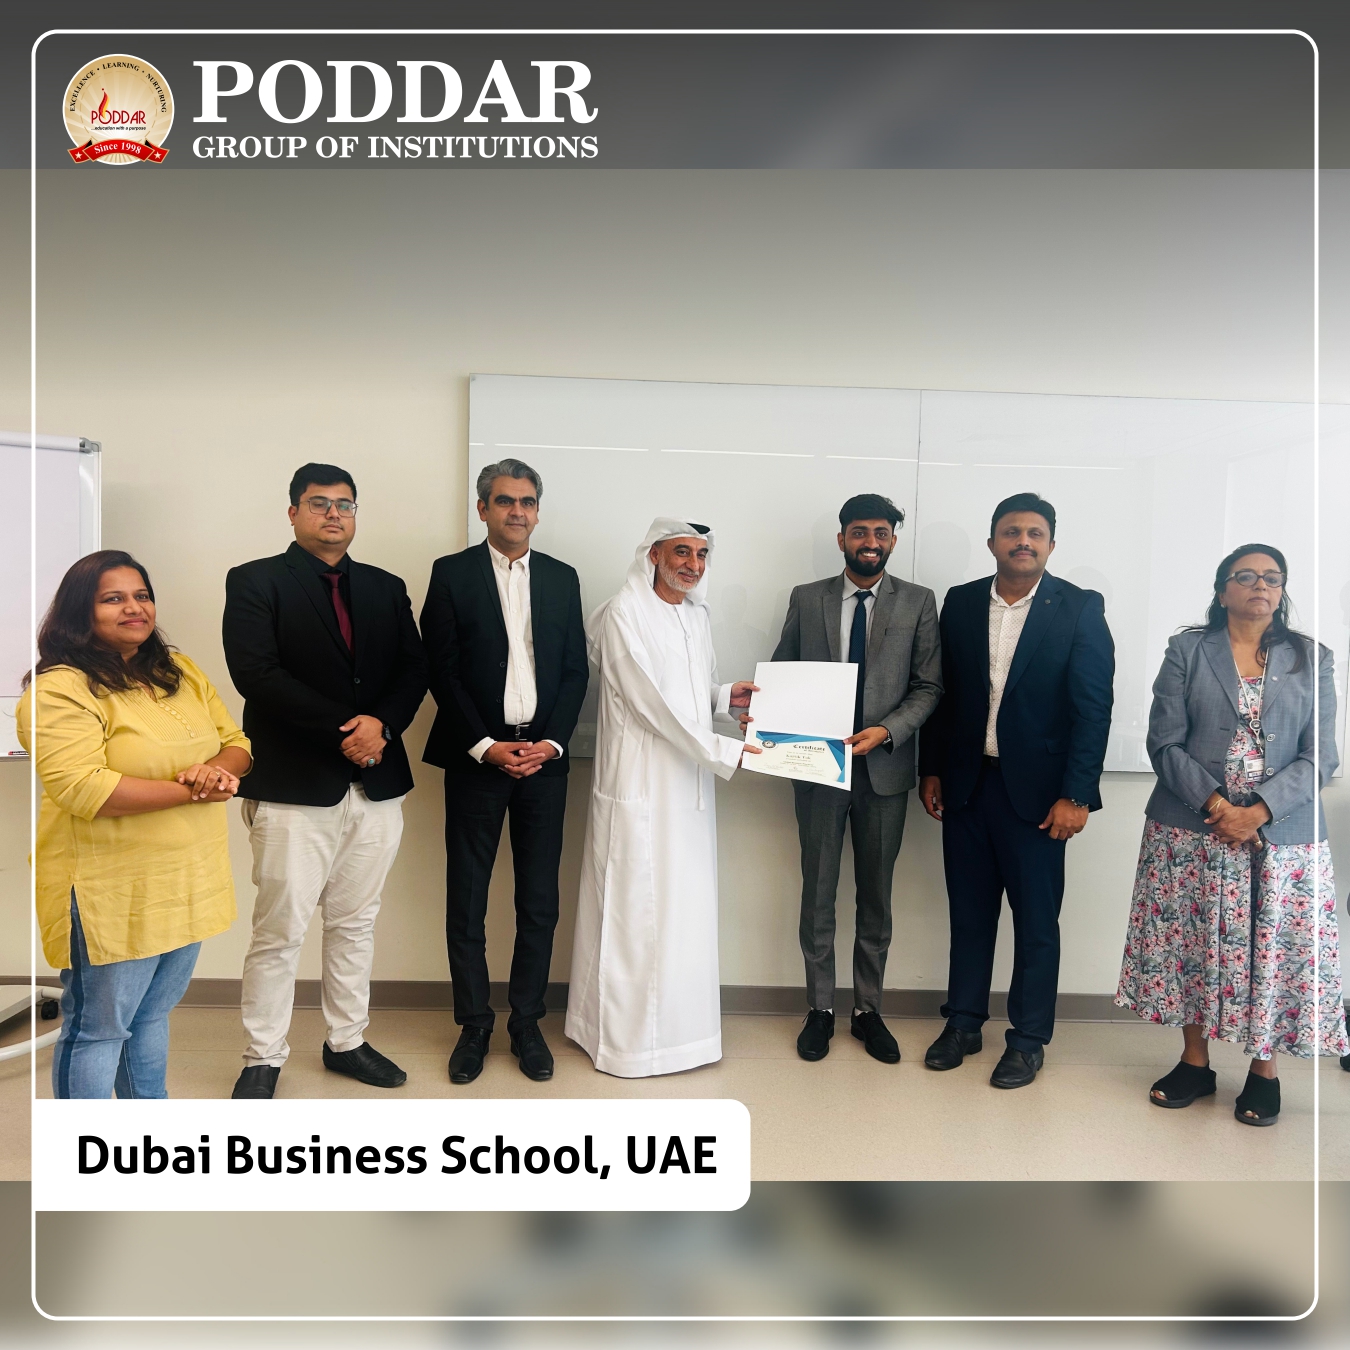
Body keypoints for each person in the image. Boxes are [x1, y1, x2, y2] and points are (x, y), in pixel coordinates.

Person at [1115, 545, 1347, 1124]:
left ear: (1282, 591)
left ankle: (1264, 1071)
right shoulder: (1188, 650)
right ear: (1222, 591)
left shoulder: (1311, 657)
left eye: (1271, 577)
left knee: (1272, 951)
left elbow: (1322, 755)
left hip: (1282, 836)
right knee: (1191, 944)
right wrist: (1219, 806)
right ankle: (1194, 1063)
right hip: (1193, 828)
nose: (1259, 585)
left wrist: (1259, 811)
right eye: (1245, 576)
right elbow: (1164, 741)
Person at [223, 463, 428, 1099]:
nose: (334, 514)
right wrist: (349, 729)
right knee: (279, 930)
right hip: (293, 785)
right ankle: (263, 1055)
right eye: (319, 503)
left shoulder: (385, 586)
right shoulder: (255, 580)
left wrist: (382, 725)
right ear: (293, 513)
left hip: (376, 785)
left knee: (355, 923)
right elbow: (257, 674)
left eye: (345, 504)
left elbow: (413, 670)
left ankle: (346, 1041)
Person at [18, 551, 251, 1098]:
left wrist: (216, 770)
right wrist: (196, 787)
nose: (134, 608)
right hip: (111, 890)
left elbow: (236, 743)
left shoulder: (178, 671)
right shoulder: (59, 690)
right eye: (113, 598)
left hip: (185, 877)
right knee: (99, 1029)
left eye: (142, 595)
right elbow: (85, 788)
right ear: (81, 611)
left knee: (151, 1016)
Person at [918, 492, 1114, 1088]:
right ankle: (963, 1023)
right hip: (967, 786)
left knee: (1035, 926)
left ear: (1051, 544)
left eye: (1034, 533)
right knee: (969, 916)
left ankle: (1028, 1040)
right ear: (992, 542)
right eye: (1011, 532)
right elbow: (943, 693)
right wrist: (932, 769)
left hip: (1041, 798)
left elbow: (1093, 710)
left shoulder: (1078, 607)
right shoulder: (960, 601)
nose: (1022, 541)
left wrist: (1077, 795)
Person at [566, 519, 758, 1077]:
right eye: (682, 552)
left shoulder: (696, 615)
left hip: (690, 788)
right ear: (653, 555)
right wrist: (725, 750)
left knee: (683, 912)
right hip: (640, 787)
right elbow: (649, 703)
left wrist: (725, 697)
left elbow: (689, 689)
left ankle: (685, 1037)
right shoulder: (622, 613)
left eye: (701, 555)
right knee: (633, 912)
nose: (693, 565)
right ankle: (624, 1043)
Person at [420, 459, 588, 1085]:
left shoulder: (562, 577)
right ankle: (473, 1025)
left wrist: (552, 743)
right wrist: (485, 744)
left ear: (537, 511)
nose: (517, 511)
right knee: (466, 899)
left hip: (544, 761)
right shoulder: (452, 573)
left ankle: (526, 1023)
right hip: (477, 761)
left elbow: (574, 669)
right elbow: (442, 669)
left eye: (527, 501)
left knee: (538, 901)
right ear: (483, 508)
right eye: (504, 500)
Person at [757, 493, 941, 1064]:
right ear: (842, 539)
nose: (870, 542)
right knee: (817, 892)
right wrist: (761, 715)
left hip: (884, 770)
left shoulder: (918, 601)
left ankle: (867, 1010)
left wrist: (887, 731)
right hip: (818, 768)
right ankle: (819, 1009)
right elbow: (784, 671)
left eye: (881, 533)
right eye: (859, 532)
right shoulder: (806, 598)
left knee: (876, 896)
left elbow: (929, 686)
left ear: (893, 540)